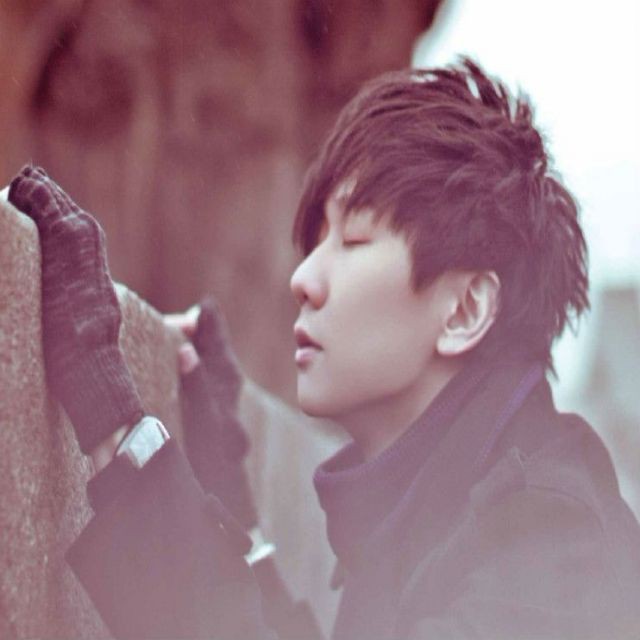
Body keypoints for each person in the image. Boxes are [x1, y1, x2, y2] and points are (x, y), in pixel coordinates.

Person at [9, 58, 640, 639]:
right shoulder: (448, 503)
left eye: (355, 240)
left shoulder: (550, 552)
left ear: (465, 310)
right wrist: (230, 495)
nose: (303, 279)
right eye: (316, 243)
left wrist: (110, 415)